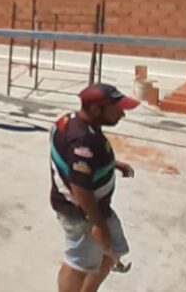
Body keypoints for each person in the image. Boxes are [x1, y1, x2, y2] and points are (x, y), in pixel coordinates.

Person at [50, 83, 139, 292]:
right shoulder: (83, 141)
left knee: (108, 255)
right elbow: (80, 186)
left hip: (96, 211)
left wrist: (110, 164)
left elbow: (74, 160)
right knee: (78, 265)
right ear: (96, 109)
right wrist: (98, 224)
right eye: (117, 110)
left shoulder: (69, 121)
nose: (122, 115)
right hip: (83, 213)